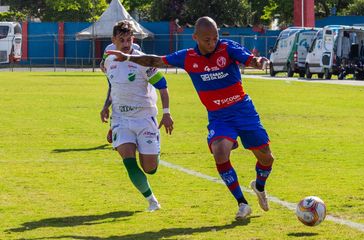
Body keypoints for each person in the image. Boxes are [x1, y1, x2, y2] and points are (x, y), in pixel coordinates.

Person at [108, 16, 274, 220]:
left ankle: (259, 186)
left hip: (243, 110)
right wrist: (128, 58)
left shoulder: (227, 48)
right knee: (220, 152)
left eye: (215, 38)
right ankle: (242, 203)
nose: (212, 43)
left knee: (266, 157)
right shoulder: (187, 57)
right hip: (219, 116)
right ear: (195, 37)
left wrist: (259, 61)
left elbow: (250, 59)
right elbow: (155, 60)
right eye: (207, 39)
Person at [101, 20, 174, 211]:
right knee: (128, 160)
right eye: (122, 39)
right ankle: (152, 201)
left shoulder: (143, 61)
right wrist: (106, 107)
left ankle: (154, 150)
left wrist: (166, 114)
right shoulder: (109, 61)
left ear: (133, 39)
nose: (126, 43)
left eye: (129, 39)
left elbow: (163, 87)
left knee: (150, 168)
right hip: (120, 120)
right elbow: (113, 87)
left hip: (144, 118)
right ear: (114, 40)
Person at [100, 42, 142, 143]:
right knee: (117, 99)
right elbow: (102, 63)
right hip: (116, 76)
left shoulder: (136, 47)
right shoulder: (109, 47)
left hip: (133, 78)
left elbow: (141, 62)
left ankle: (136, 133)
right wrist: (108, 70)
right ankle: (114, 128)